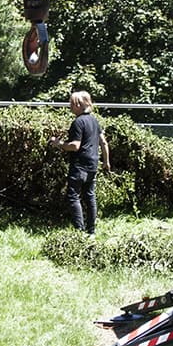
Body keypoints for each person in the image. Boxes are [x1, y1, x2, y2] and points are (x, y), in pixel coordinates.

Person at [54, 87, 110, 236]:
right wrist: (106, 162)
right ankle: (91, 232)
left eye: (72, 104)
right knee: (90, 197)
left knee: (73, 196)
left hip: (79, 165)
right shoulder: (94, 121)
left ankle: (79, 232)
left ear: (78, 105)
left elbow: (75, 146)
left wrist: (59, 143)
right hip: (93, 164)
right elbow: (104, 142)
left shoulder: (78, 122)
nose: (70, 107)